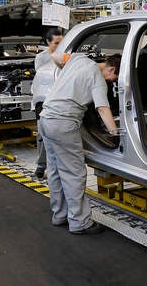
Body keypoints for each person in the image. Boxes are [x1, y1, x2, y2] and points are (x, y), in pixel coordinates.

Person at [39, 52, 121, 235]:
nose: (113, 82)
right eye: (115, 77)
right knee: (74, 173)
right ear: (112, 68)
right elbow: (102, 107)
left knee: (55, 170)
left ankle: (59, 215)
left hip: (45, 119)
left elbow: (55, 57)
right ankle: (79, 223)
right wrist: (114, 131)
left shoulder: (78, 59)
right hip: (63, 124)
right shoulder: (98, 79)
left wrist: (69, 77)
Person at [30, 27, 63, 179]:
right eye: (56, 43)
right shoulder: (41, 58)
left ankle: (50, 165)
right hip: (42, 100)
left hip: (58, 99)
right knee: (42, 134)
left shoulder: (64, 55)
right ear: (48, 42)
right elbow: (43, 78)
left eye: (61, 42)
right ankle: (41, 165)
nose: (59, 45)